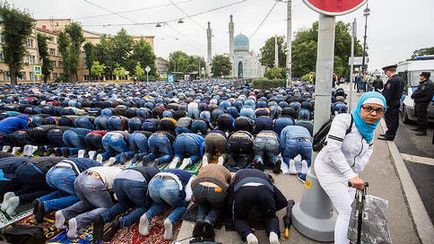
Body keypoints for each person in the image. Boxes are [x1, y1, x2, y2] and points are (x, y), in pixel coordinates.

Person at [315, 92, 386, 244]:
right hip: (330, 170)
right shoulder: (344, 120)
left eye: (379, 110)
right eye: (368, 108)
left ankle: (349, 238)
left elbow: (370, 148)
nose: (373, 113)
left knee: (354, 211)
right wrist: (350, 174)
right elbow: (333, 148)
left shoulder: (370, 127)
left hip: (351, 174)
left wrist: (357, 169)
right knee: (347, 212)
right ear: (360, 107)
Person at [93, 166, 160, 241]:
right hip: (135, 182)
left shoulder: (141, 168)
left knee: (124, 203)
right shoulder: (157, 174)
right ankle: (119, 224)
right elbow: (155, 189)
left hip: (118, 180)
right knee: (143, 207)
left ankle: (102, 218)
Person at [55, 166, 122, 238]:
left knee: (89, 201)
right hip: (93, 181)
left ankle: (63, 213)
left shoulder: (116, 169)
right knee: (107, 207)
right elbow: (117, 196)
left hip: (80, 178)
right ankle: (77, 222)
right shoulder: (122, 177)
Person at [228, 168, 287, 244]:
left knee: (238, 219)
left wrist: (233, 210)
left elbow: (230, 199)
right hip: (264, 191)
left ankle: (248, 235)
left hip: (245, 191)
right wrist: (268, 209)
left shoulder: (237, 176)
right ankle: (273, 234)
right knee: (270, 217)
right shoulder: (265, 177)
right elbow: (283, 201)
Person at [34, 158, 102, 222]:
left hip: (50, 173)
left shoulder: (93, 163)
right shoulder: (101, 169)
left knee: (65, 192)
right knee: (82, 196)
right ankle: (47, 206)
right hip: (63, 174)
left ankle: (40, 200)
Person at [139, 168, 193, 240]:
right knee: (182, 206)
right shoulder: (191, 178)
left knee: (161, 203)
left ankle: (146, 215)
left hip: (153, 184)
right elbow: (187, 197)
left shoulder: (170, 170)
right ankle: (170, 220)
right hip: (170, 186)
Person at [191, 164, 232, 241]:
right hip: (217, 189)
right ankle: (209, 220)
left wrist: (195, 198)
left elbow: (194, 180)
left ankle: (199, 220)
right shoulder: (226, 170)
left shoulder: (205, 167)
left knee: (202, 203)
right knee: (218, 207)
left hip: (198, 185)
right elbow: (229, 184)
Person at [378, 64, 404, 141]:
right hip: (396, 102)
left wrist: (384, 103)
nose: (386, 74)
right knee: (394, 119)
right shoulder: (400, 79)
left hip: (390, 103)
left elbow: (388, 94)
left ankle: (389, 135)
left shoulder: (392, 80)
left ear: (389, 71)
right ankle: (389, 133)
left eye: (386, 72)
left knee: (390, 119)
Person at [411, 72, 434, 136]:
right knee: (419, 116)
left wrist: (414, 95)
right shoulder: (424, 83)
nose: (420, 77)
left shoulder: (427, 84)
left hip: (423, 102)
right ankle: (419, 128)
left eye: (421, 76)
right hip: (420, 102)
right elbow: (418, 90)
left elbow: (421, 92)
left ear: (424, 76)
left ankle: (423, 131)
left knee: (422, 116)